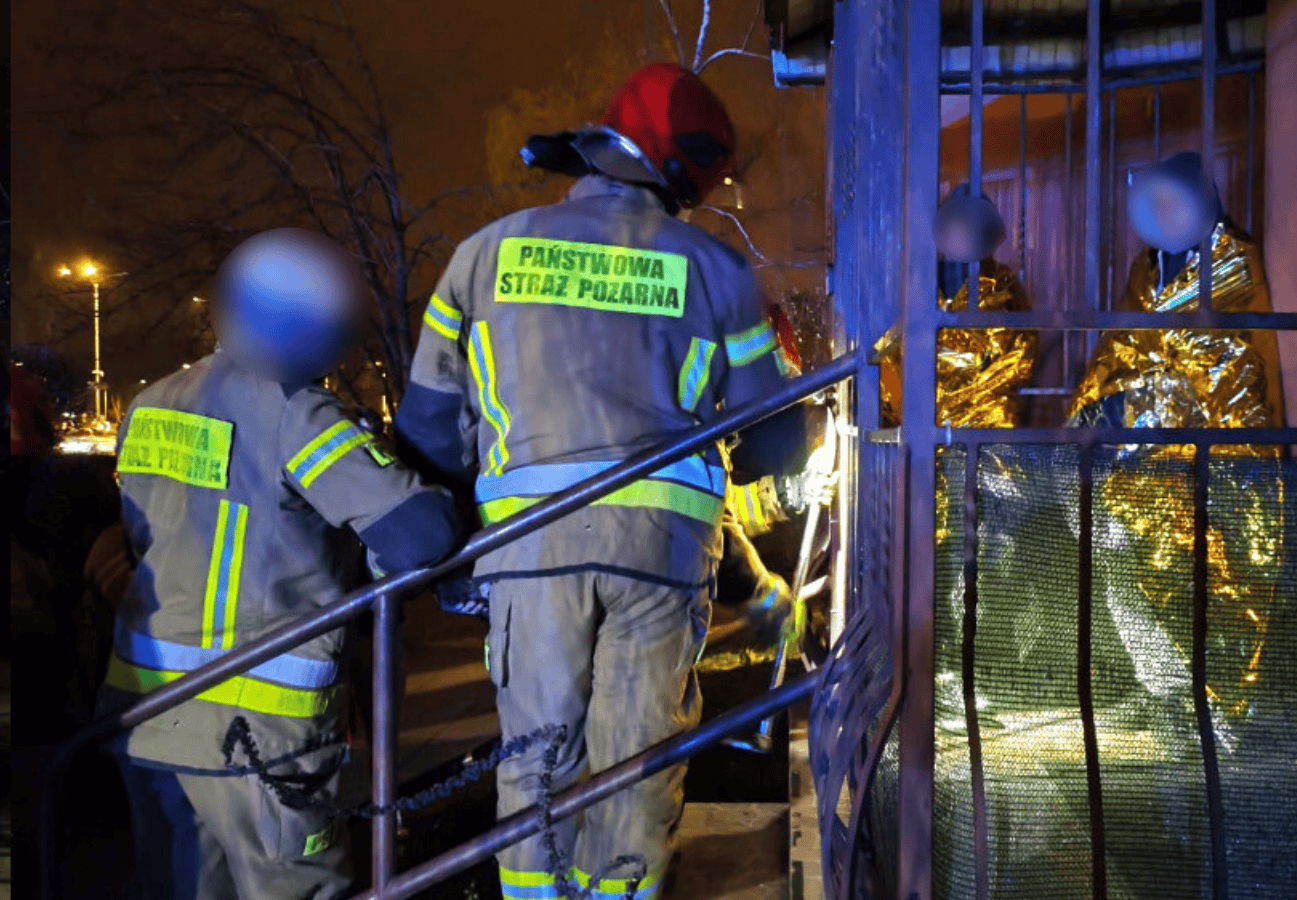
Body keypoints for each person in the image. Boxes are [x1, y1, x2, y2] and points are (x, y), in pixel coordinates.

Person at [395, 63, 808, 900]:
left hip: (527, 543)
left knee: (538, 765)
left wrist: (451, 536)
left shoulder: (484, 255)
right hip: (660, 553)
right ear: (681, 173)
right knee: (635, 765)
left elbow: (428, 427)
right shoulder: (715, 270)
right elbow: (775, 441)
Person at [102, 228, 463, 900]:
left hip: (149, 716)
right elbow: (418, 533)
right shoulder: (297, 412)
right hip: (259, 736)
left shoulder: (151, 404)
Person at [1065, 150, 1285, 745]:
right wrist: (1095, 413)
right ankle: (1169, 692)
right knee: (1112, 551)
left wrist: (1135, 405)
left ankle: (1218, 708)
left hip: (1225, 473)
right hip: (1147, 470)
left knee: (1214, 582)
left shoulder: (1233, 271)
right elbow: (1120, 352)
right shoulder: (1148, 272)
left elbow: (1228, 381)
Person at [878, 185, 1038, 430]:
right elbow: (889, 352)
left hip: (986, 428)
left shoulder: (1004, 284)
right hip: (923, 427)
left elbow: (1021, 355)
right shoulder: (916, 284)